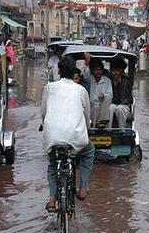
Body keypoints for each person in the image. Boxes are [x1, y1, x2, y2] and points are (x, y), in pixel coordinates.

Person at [41, 56, 95, 212]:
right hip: (76, 138)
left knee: (53, 164)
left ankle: (52, 199)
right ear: (74, 73)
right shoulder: (81, 90)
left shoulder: (49, 88)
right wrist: (86, 131)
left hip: (53, 136)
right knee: (89, 151)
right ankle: (83, 187)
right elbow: (86, 116)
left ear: (59, 71)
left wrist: (47, 127)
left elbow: (43, 113)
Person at [108, 58, 133, 128]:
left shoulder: (126, 81)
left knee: (119, 108)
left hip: (123, 105)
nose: (115, 73)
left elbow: (129, 98)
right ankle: (108, 130)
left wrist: (122, 104)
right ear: (111, 71)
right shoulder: (107, 80)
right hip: (111, 104)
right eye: (113, 71)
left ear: (120, 71)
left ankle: (122, 130)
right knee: (111, 107)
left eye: (117, 71)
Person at [88, 58, 112, 128]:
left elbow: (110, 94)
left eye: (100, 70)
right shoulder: (89, 79)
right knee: (95, 107)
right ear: (93, 70)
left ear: (102, 70)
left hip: (103, 104)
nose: (98, 72)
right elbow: (85, 75)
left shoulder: (107, 80)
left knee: (107, 98)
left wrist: (103, 95)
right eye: (96, 70)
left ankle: (101, 122)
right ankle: (92, 128)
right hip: (91, 104)